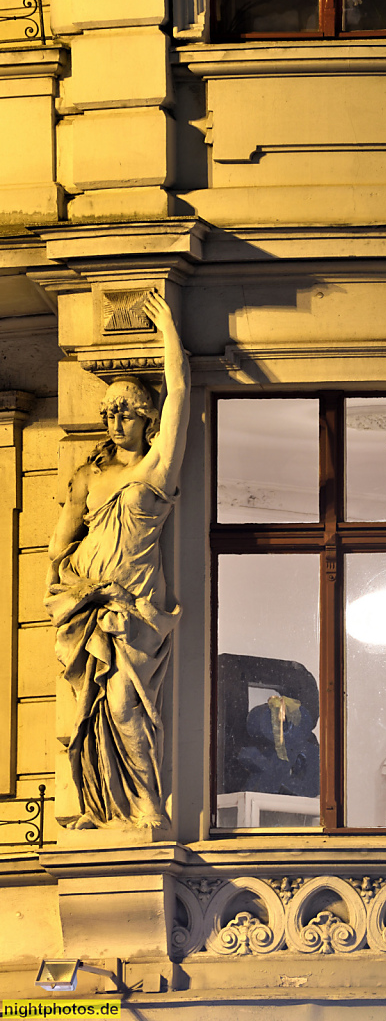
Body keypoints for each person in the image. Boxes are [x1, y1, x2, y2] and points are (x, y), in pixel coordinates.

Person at [45, 291, 190, 830]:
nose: (113, 421)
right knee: (93, 709)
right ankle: (103, 807)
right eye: (108, 413)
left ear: (145, 416)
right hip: (89, 602)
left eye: (124, 412)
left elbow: (181, 394)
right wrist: (66, 585)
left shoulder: (155, 471)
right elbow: (60, 546)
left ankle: (145, 803)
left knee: (127, 704)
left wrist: (170, 329)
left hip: (134, 610)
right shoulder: (87, 478)